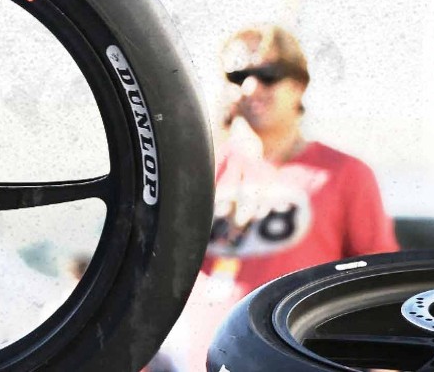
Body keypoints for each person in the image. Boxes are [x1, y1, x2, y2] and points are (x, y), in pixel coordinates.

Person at [154, 24, 399, 371]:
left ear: (299, 86)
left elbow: (382, 295)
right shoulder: (201, 174)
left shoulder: (345, 174)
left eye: (267, 74)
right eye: (237, 76)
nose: (251, 87)